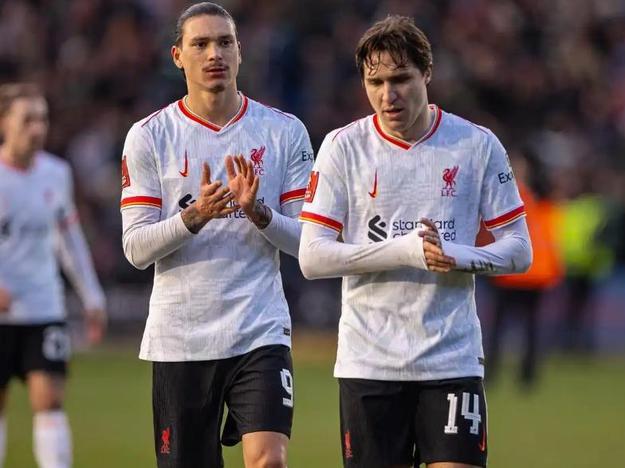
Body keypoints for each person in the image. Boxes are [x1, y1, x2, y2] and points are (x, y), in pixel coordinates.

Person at [299, 16, 532, 468]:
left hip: (452, 359)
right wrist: (405, 250)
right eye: (376, 82)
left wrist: (458, 256)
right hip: (369, 362)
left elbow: (520, 250)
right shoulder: (342, 147)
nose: (388, 95)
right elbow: (312, 256)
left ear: (427, 73)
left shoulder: (476, 144)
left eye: (401, 79)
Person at [119, 3, 312, 467]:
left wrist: (259, 213)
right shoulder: (150, 136)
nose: (214, 54)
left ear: (240, 52)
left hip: (259, 329)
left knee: (269, 460)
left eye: (224, 42)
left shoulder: (284, 132)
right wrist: (195, 216)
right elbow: (135, 248)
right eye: (200, 44)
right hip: (180, 336)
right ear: (177, 56)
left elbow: (308, 243)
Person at [0, 83, 107, 468]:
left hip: (44, 306)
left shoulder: (56, 173)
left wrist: (92, 296)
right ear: (4, 123)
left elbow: (69, 239)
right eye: (27, 119)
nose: (37, 128)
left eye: (42, 119)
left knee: (50, 399)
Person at [483, 151, 563, 390]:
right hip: (519, 272)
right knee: (515, 326)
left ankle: (515, 373)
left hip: (520, 272)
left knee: (513, 326)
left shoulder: (518, 196)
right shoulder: (537, 197)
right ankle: (517, 374)